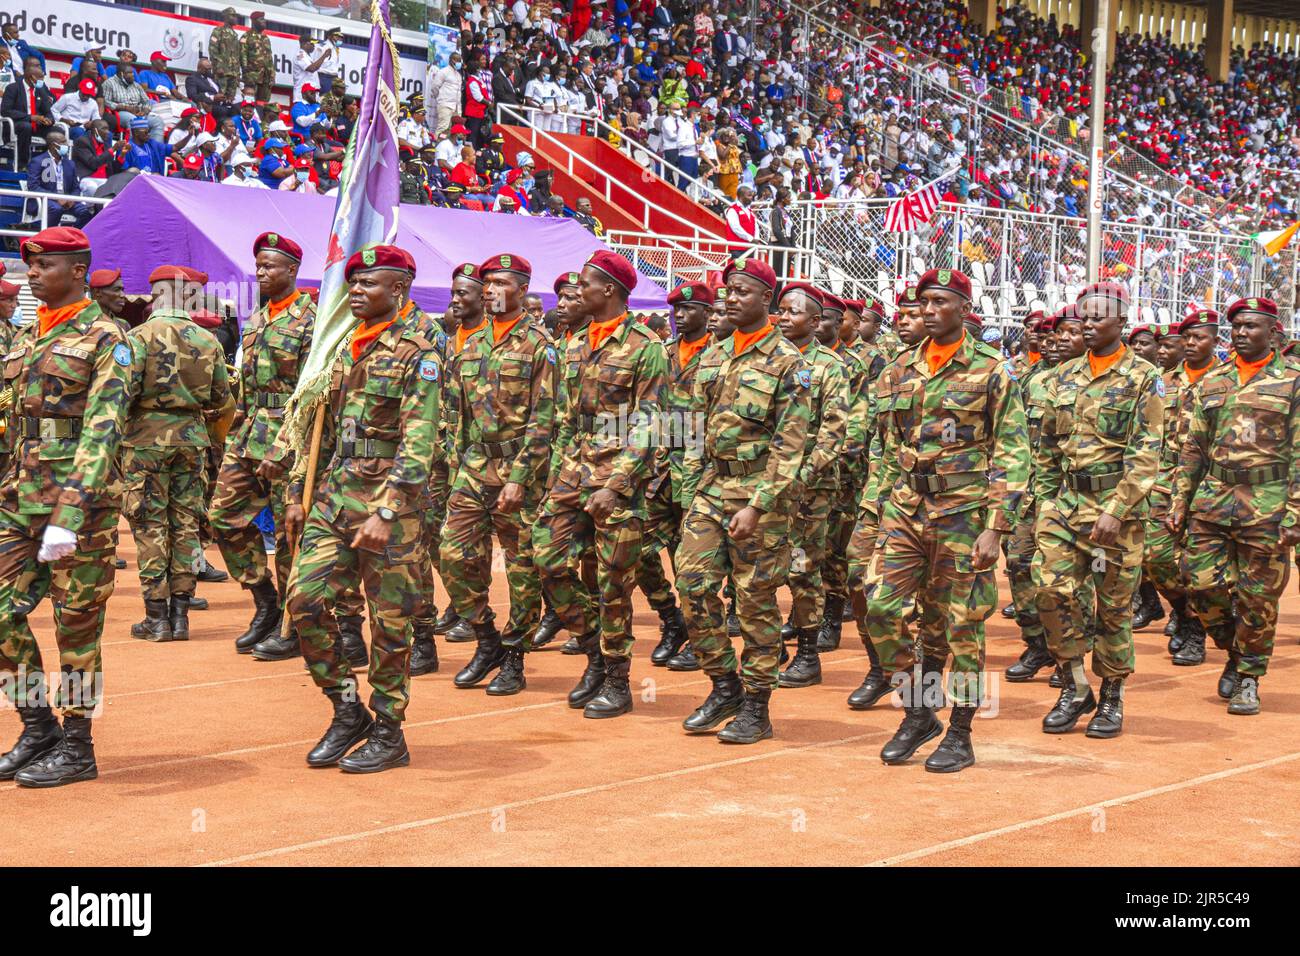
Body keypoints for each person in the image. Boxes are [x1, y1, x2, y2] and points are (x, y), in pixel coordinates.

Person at [285, 244, 441, 774]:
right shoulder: (344, 343)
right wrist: (295, 494)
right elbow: (321, 431)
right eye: (353, 283)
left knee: (390, 621)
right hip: (334, 495)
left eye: (368, 283)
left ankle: (390, 729)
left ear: (397, 289)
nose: (355, 290)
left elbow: (420, 441)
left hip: (386, 506)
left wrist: (391, 509)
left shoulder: (419, 350)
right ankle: (346, 709)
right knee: (304, 601)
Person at [865, 268, 1029, 773]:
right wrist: (877, 510)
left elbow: (1013, 449)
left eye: (939, 302)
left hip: (965, 516)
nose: (928, 311)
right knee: (880, 609)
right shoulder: (897, 370)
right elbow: (886, 446)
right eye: (922, 303)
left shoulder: (992, 369)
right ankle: (919, 711)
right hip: (906, 511)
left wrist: (996, 526)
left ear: (963, 308)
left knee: (961, 626)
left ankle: (959, 731)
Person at [0, 227, 135, 788]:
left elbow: (103, 431)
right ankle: (37, 724)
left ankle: (78, 743)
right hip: (19, 498)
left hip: (80, 509)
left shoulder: (108, 339)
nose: (32, 274)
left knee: (76, 627)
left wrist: (72, 512)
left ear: (78, 271)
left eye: (44, 265)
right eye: (29, 264)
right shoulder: (27, 335)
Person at [673, 257, 808, 742]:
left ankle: (757, 705)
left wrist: (759, 504)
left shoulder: (790, 363)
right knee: (691, 584)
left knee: (754, 603)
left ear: (766, 302)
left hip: (760, 495)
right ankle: (724, 683)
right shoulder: (713, 355)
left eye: (744, 292)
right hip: (712, 489)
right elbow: (693, 427)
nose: (732, 298)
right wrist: (691, 489)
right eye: (729, 290)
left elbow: (790, 445)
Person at [533, 251, 667, 719]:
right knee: (546, 559)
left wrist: (618, 482)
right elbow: (567, 419)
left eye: (585, 284)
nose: (576, 292)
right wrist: (557, 476)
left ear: (609, 290)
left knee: (613, 583)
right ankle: (592, 647)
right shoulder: (573, 345)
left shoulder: (645, 346)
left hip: (618, 479)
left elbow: (652, 423)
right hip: (574, 471)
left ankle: (616, 678)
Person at [1034, 282, 1162, 741]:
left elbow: (1147, 450)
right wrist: (1045, 501)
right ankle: (1074, 684)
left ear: (1121, 322)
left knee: (1112, 608)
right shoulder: (1060, 377)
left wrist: (1118, 507)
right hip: (1065, 506)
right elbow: (1047, 446)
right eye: (1082, 316)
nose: (1087, 323)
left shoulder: (1145, 377)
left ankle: (1111, 695)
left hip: (1116, 514)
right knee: (1050, 592)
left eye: (1098, 317)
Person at [1169, 297, 1300, 716]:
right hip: (1213, 499)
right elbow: (1194, 447)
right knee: (1199, 583)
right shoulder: (1216, 379)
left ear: (1273, 333)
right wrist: (1179, 501)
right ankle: (1235, 648)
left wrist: (1296, 513)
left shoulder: (1293, 380)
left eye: (1251, 326)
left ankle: (1248, 676)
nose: (1241, 333)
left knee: (1258, 598)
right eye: (1237, 327)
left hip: (1269, 504)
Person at [440, 254, 557, 696]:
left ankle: (514, 655)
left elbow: (545, 420)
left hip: (518, 471)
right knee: (452, 556)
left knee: (522, 568)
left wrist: (520, 478)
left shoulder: (540, 345)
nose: (489, 290)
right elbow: (457, 413)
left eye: (500, 283)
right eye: (486, 283)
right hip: (472, 468)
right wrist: (456, 467)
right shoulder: (469, 343)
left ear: (523, 290)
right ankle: (486, 637)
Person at [209, 233, 319, 658]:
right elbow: (250, 389)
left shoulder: (311, 321)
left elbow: (311, 396)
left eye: (270, 266)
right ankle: (265, 600)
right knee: (222, 517)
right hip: (250, 432)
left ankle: (294, 628)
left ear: (292, 270)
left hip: (290, 438)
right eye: (257, 266)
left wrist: (287, 446)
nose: (261, 272)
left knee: (291, 535)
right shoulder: (256, 320)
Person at [121, 266, 230, 643]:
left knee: (150, 523)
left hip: (146, 439)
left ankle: (157, 617)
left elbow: (123, 393)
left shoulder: (136, 337)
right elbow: (220, 398)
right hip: (192, 438)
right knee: (185, 523)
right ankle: (181, 615)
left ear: (155, 295)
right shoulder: (207, 339)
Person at [773, 282, 848, 689]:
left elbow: (834, 433)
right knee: (761, 568)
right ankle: (770, 648)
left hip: (808, 490)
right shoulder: (764, 360)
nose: (784, 318)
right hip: (764, 485)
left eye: (793, 312)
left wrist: (796, 477)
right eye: (781, 310)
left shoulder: (828, 367)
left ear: (815, 322)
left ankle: (807, 653)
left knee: (802, 568)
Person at [1140, 309, 1220, 657]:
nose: (1190, 343)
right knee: (1155, 556)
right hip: (1164, 478)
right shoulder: (1164, 381)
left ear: (1216, 341)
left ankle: (1196, 630)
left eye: (1198, 337)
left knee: (1199, 563)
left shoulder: (1225, 379)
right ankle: (1183, 609)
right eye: (1186, 337)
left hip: (1210, 481)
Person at [642, 281, 712, 669]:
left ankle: (699, 637)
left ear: (706, 313)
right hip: (659, 468)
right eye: (675, 310)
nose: (679, 316)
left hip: (699, 471)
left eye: (688, 310)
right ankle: (672, 620)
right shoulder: (663, 354)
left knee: (692, 564)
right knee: (637, 550)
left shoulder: (719, 356)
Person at [25, 131, 91, 229]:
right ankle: (48, 238)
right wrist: (57, 198)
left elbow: (76, 187)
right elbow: (33, 186)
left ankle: (72, 236)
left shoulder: (70, 164)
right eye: (63, 142)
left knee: (86, 212)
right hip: (46, 199)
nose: (67, 144)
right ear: (53, 145)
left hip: (67, 200)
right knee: (56, 209)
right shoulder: (38, 161)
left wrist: (71, 199)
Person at [2, 55, 55, 167]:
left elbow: (48, 111)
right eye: (39, 78)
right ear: (31, 77)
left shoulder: (40, 90)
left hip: (37, 125)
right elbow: (5, 111)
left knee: (56, 132)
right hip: (17, 124)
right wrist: (30, 117)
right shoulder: (13, 88)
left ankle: (46, 165)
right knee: (26, 126)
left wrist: (49, 120)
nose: (42, 81)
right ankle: (23, 165)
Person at [428, 49, 464, 137]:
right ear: (452, 60)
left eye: (460, 61)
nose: (459, 63)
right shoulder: (443, 72)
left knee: (456, 130)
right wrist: (441, 98)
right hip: (445, 105)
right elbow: (435, 87)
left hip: (456, 107)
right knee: (443, 128)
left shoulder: (458, 75)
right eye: (458, 60)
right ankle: (437, 148)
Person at [209, 8, 243, 100]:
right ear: (226, 17)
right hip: (222, 71)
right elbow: (213, 49)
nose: (236, 18)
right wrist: (218, 66)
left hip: (234, 73)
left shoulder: (235, 35)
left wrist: (238, 74)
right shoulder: (218, 31)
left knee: (231, 99)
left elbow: (237, 55)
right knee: (220, 95)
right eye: (233, 16)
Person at [242, 12, 275, 103]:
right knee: (249, 102)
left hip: (266, 78)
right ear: (253, 21)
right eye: (261, 19)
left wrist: (272, 75)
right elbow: (242, 56)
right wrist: (247, 75)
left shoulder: (266, 38)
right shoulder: (246, 37)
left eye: (264, 19)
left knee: (263, 104)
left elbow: (270, 59)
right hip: (253, 77)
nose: (264, 21)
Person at [724, 185, 758, 258]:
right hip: (738, 248)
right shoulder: (733, 210)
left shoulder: (750, 211)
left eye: (751, 195)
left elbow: (756, 226)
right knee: (739, 269)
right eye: (749, 195)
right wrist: (751, 239)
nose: (751, 198)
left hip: (750, 247)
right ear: (741, 196)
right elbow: (736, 228)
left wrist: (756, 238)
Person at [318, 28, 343, 95]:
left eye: (340, 37)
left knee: (335, 100)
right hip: (325, 77)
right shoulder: (323, 47)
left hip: (334, 77)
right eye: (336, 36)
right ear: (329, 36)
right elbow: (317, 62)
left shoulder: (335, 48)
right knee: (325, 99)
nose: (339, 39)